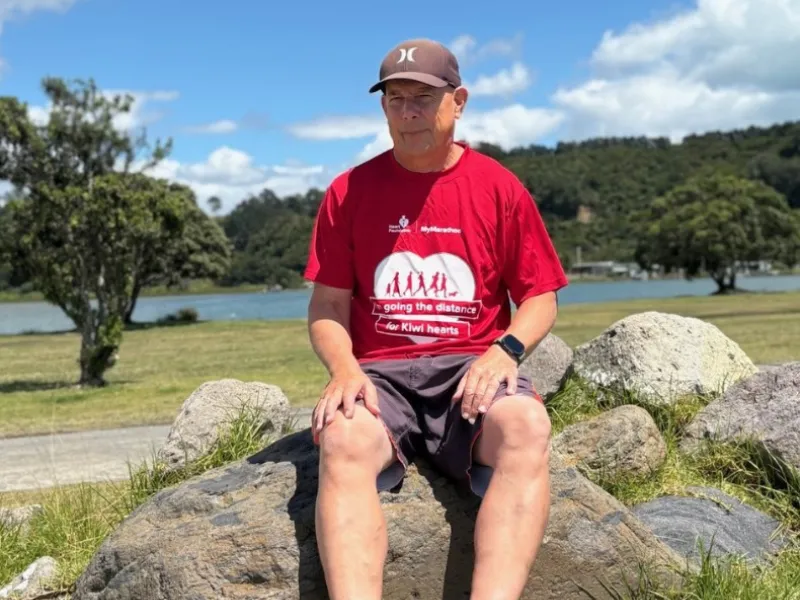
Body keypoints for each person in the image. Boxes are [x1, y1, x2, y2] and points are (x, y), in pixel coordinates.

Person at [303, 37, 569, 600]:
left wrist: (506, 351)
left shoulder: (499, 187)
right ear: (382, 108)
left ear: (459, 100)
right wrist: (345, 370)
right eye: (395, 99)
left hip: (469, 369)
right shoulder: (348, 192)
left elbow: (540, 298)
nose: (408, 112)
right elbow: (327, 307)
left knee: (525, 426)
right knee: (344, 437)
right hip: (381, 374)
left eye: (422, 97)